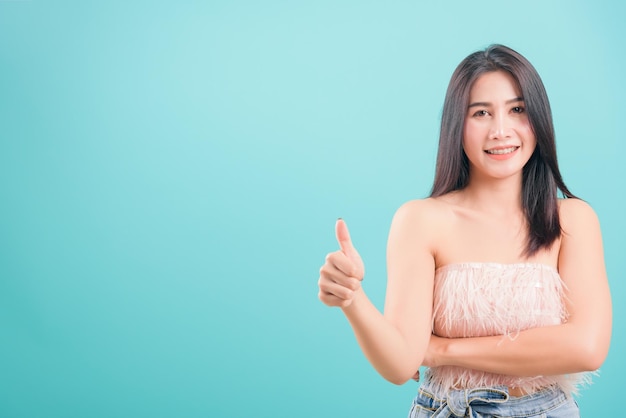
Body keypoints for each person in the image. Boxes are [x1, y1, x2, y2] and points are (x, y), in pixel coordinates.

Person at [317, 44, 612, 417]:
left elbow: (587, 347)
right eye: (481, 113)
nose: (501, 131)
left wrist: (440, 350)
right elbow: (398, 364)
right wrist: (352, 299)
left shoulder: (571, 220)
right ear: (457, 124)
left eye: (517, 110)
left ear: (538, 118)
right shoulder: (420, 220)